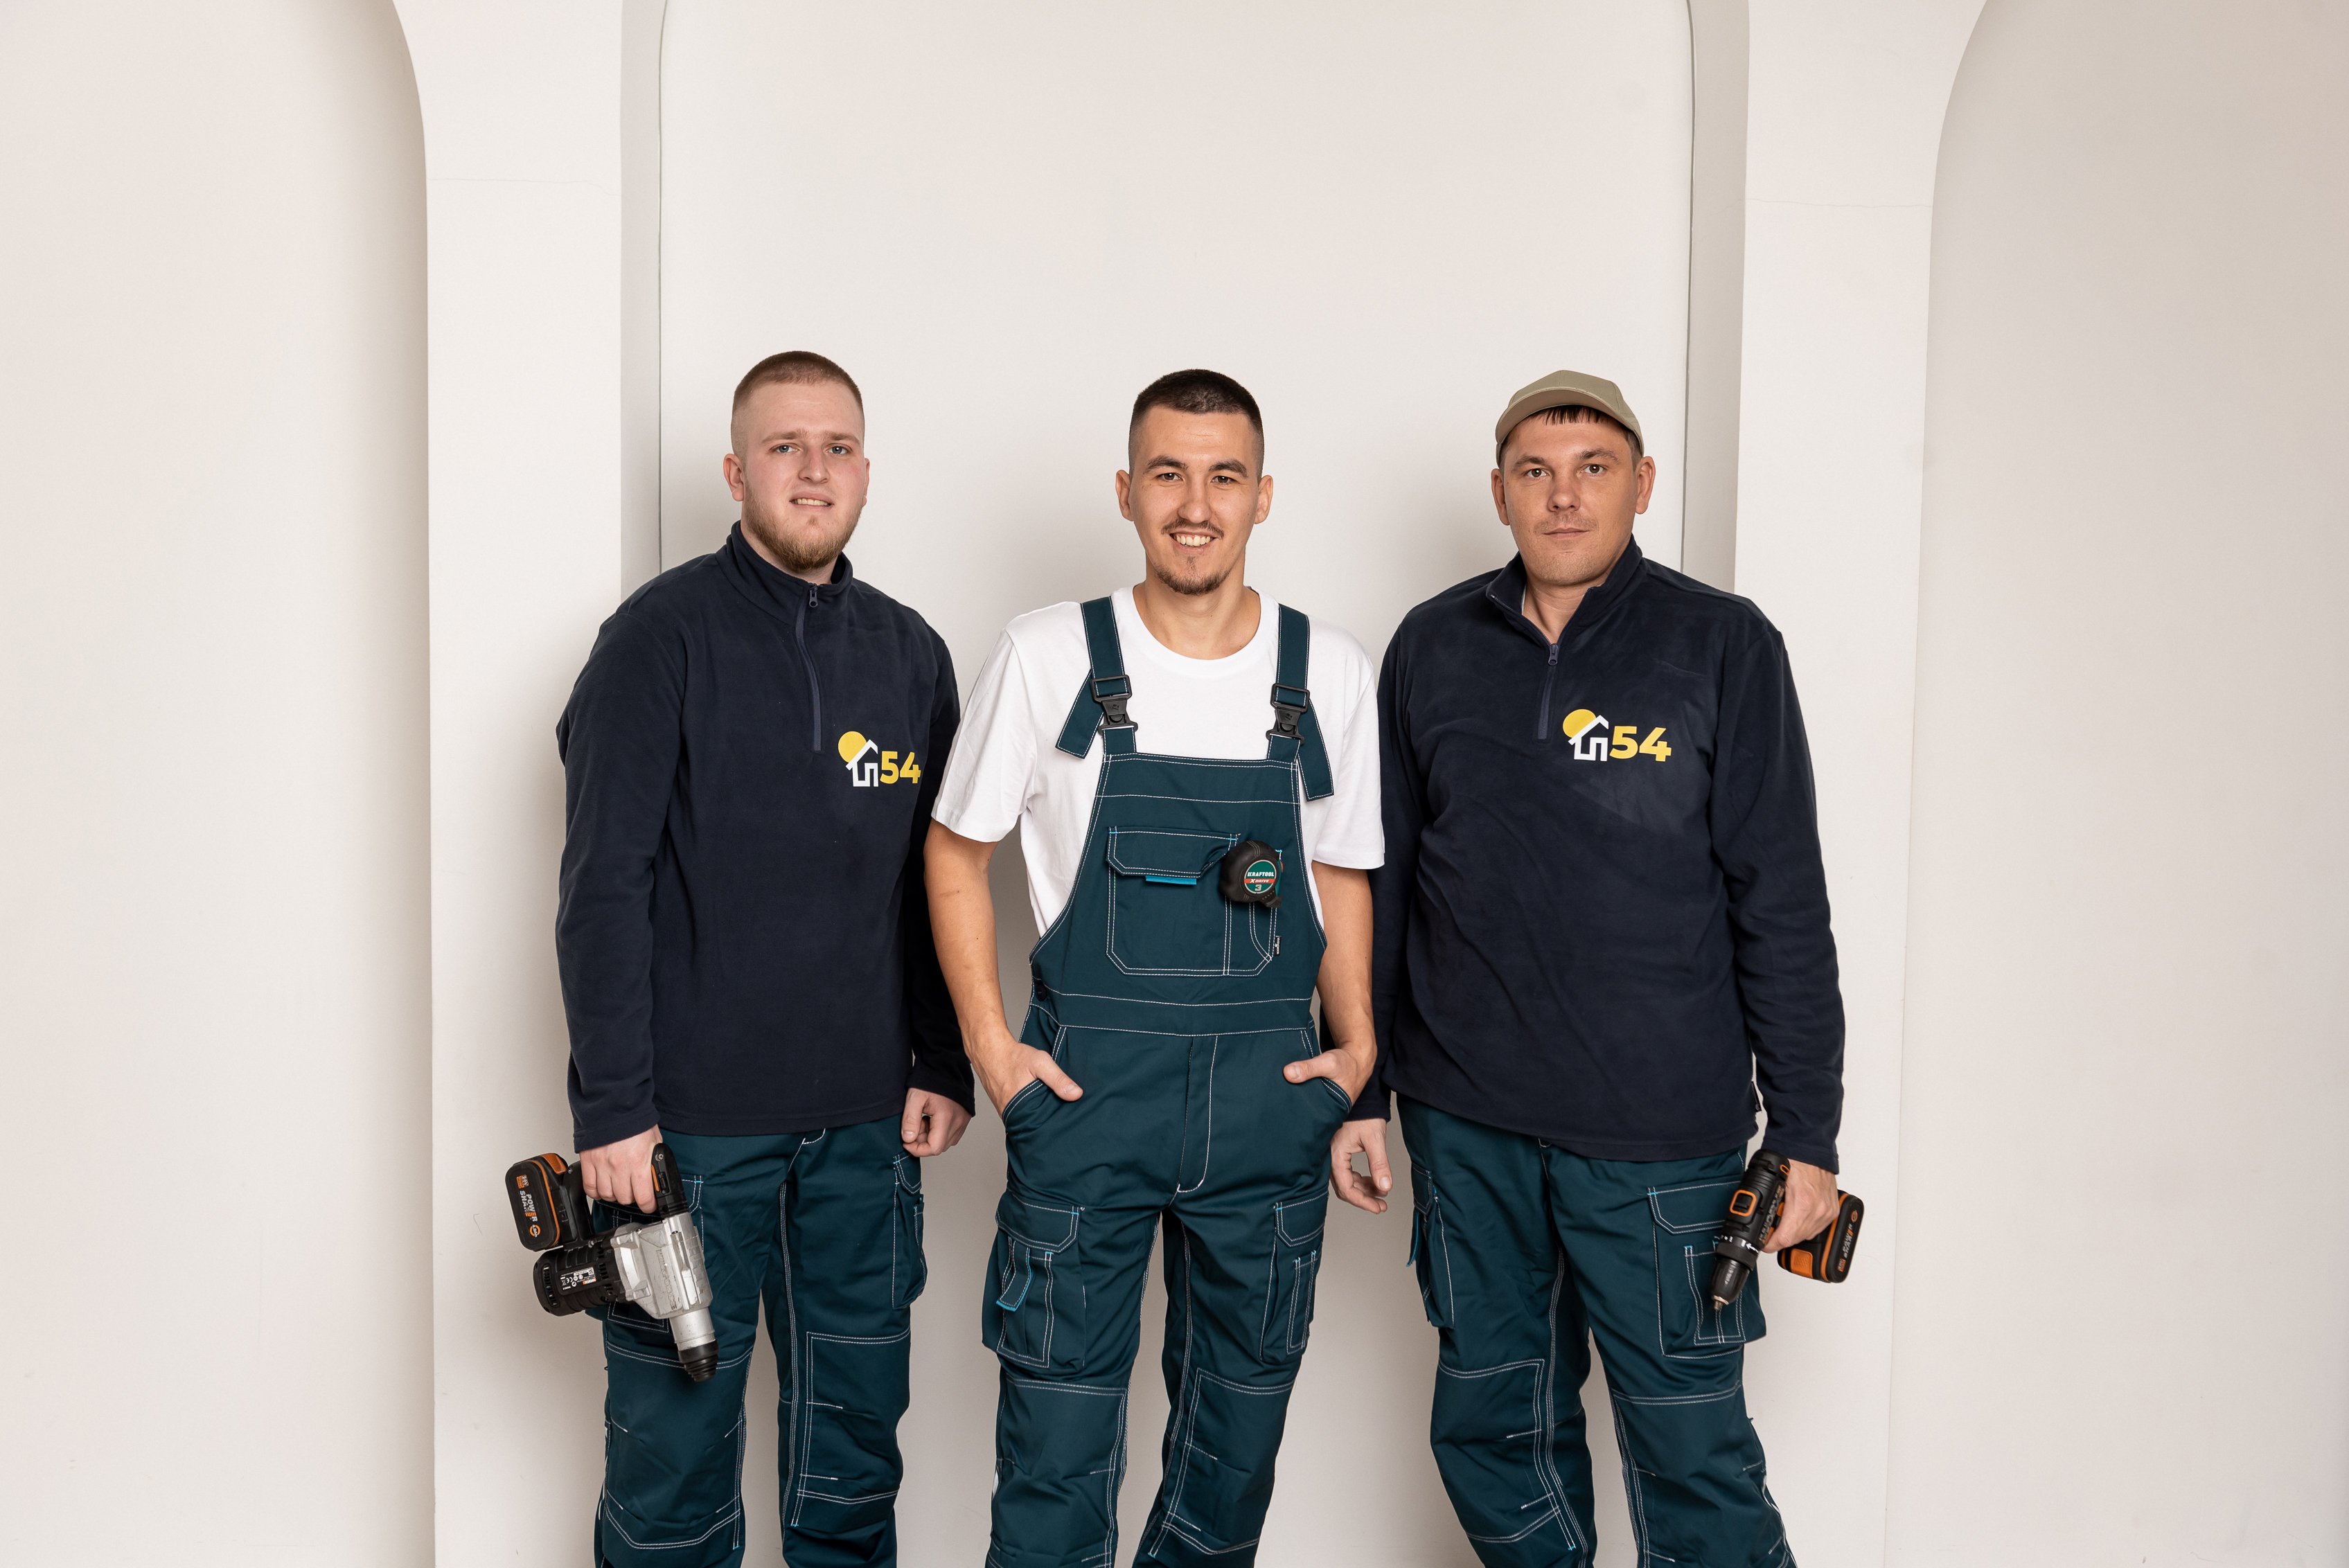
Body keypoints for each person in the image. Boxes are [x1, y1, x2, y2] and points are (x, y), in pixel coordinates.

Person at [1336, 369, 1845, 1567]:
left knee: (1692, 1451)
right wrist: (1362, 1086)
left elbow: (1781, 897)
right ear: (1501, 493)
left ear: (1641, 484)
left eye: (1594, 469)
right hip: (1468, 1127)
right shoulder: (1431, 645)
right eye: (1537, 471)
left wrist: (1806, 1133)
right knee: (1495, 1433)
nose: (1564, 497)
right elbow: (1382, 882)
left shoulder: (1723, 644)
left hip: (1661, 1143)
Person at [925, 369, 1383, 1566]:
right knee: (1055, 1456)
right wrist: (992, 1051)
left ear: (1263, 496)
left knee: (1233, 1458)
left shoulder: (1327, 669)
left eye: (1225, 477)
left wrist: (1359, 1058)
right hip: (1087, 1101)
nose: (1196, 504)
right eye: (1169, 474)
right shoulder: (1046, 655)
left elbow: (1341, 872)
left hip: (1269, 1108)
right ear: (1127, 492)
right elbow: (955, 849)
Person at [554, 350, 970, 1568]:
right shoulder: (658, 638)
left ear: (867, 472)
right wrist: (614, 1109)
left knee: (853, 1462)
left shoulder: (911, 654)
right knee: (672, 1469)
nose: (813, 470)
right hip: (690, 1141)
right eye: (785, 447)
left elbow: (933, 883)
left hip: (864, 1137)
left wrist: (939, 1060)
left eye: (837, 447)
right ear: (737, 474)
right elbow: (601, 886)